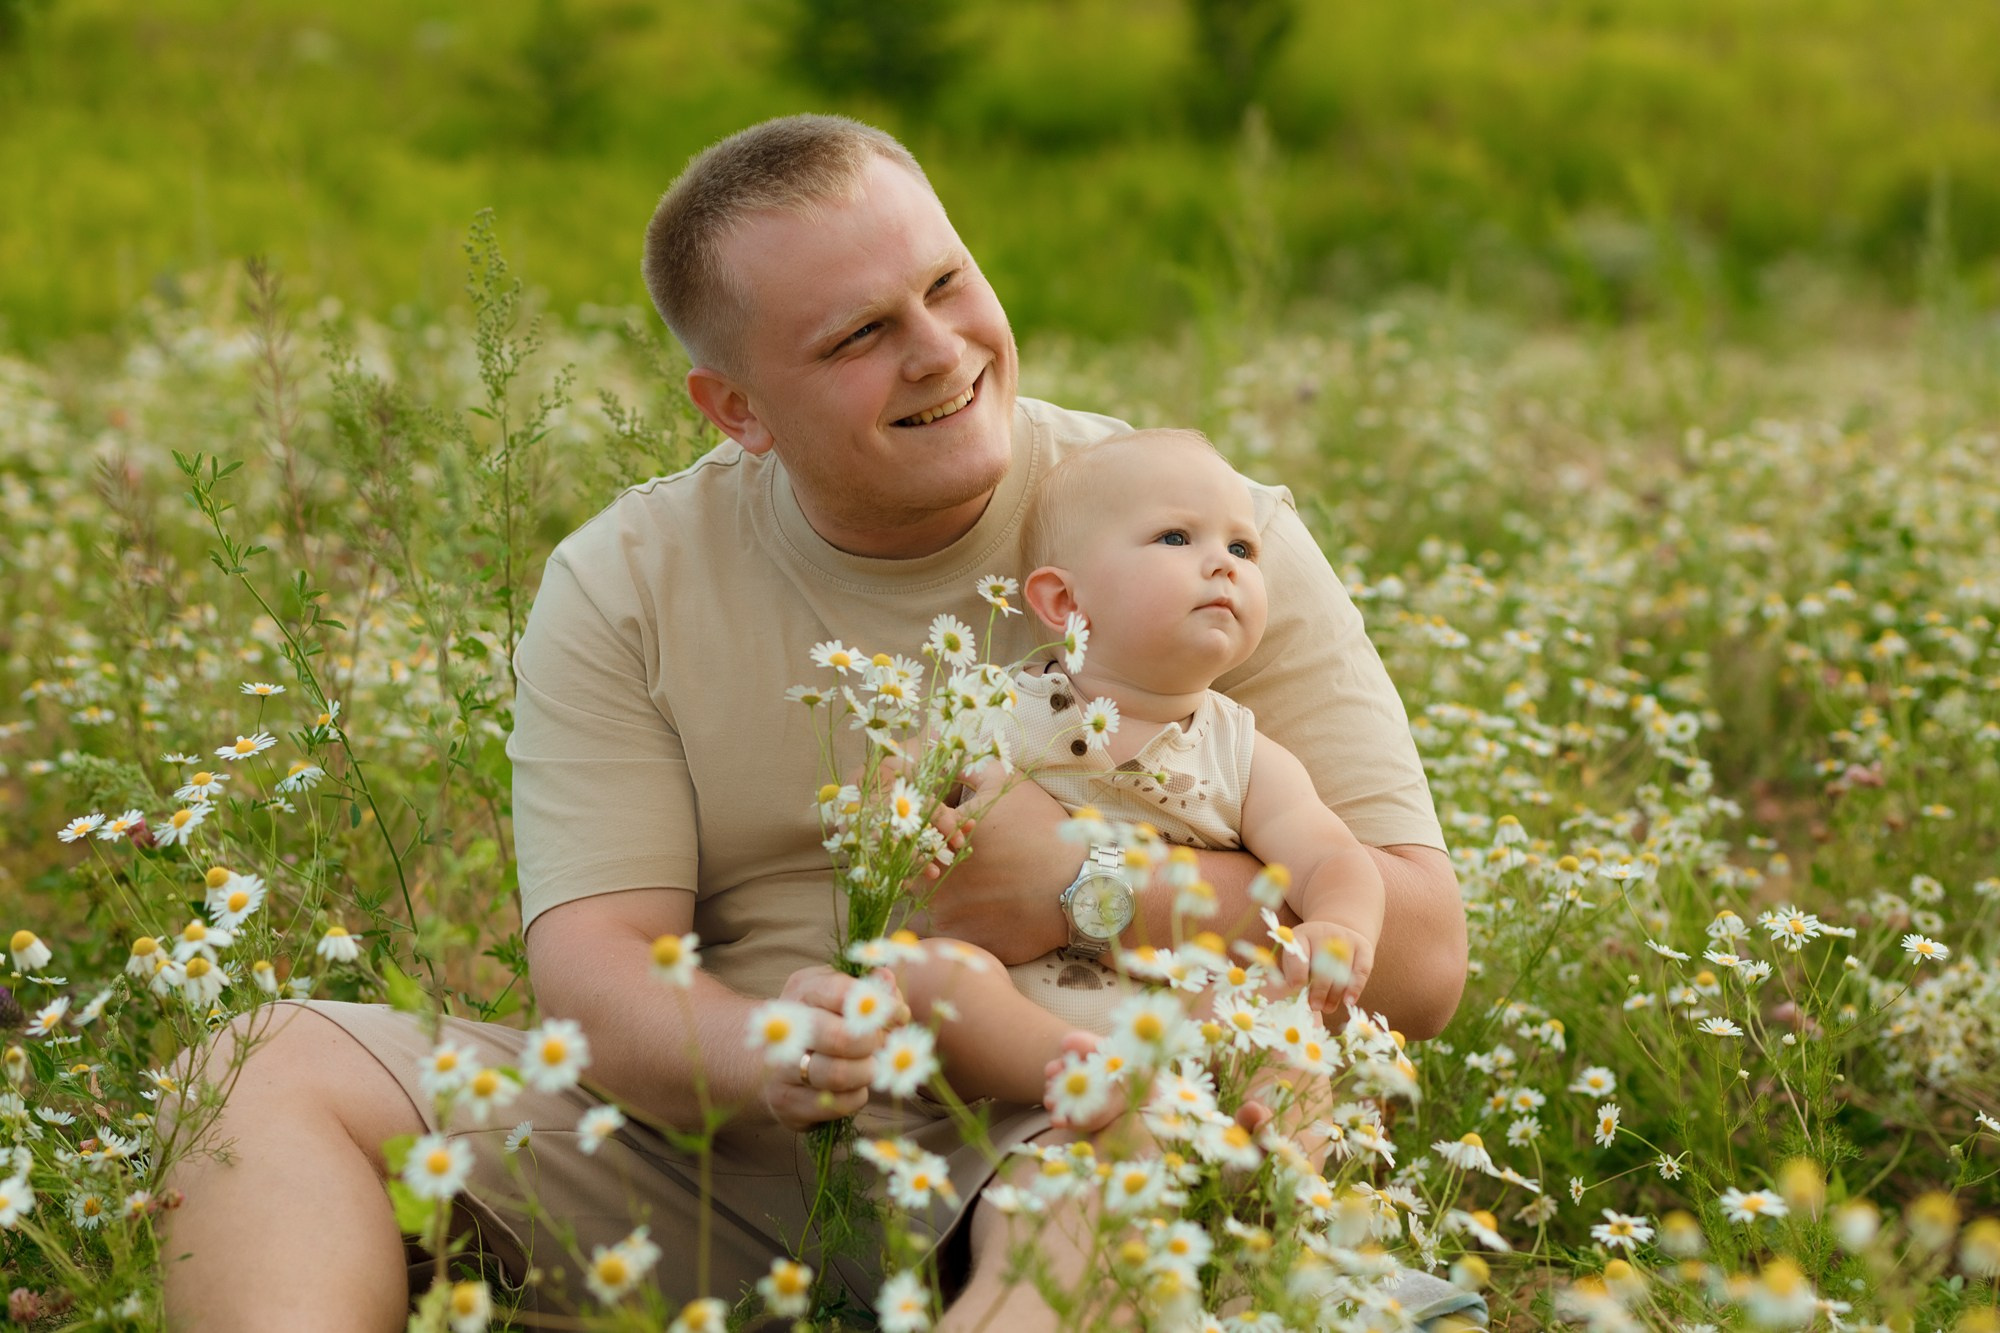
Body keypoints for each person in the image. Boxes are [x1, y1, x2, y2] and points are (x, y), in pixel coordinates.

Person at [159, 114, 1470, 1332]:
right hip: (740, 1172)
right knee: (260, 1072)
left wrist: (1089, 882)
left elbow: (1416, 957)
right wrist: (763, 1051)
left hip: (1095, 1102)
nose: (942, 351)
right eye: (858, 336)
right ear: (737, 409)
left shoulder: (1195, 527)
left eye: (948, 285)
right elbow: (599, 970)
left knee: (1096, 1161)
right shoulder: (628, 580)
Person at [892, 428, 1387, 1128]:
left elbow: (1333, 856)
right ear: (1064, 602)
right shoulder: (997, 709)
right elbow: (900, 776)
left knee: (1287, 1021)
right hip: (1018, 1022)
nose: (1223, 563)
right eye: (1176, 538)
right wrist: (899, 815)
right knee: (925, 974)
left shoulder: (1241, 751)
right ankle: (1085, 1072)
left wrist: (1339, 924)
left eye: (1242, 548)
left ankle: (1273, 1162)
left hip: (1189, 1019)